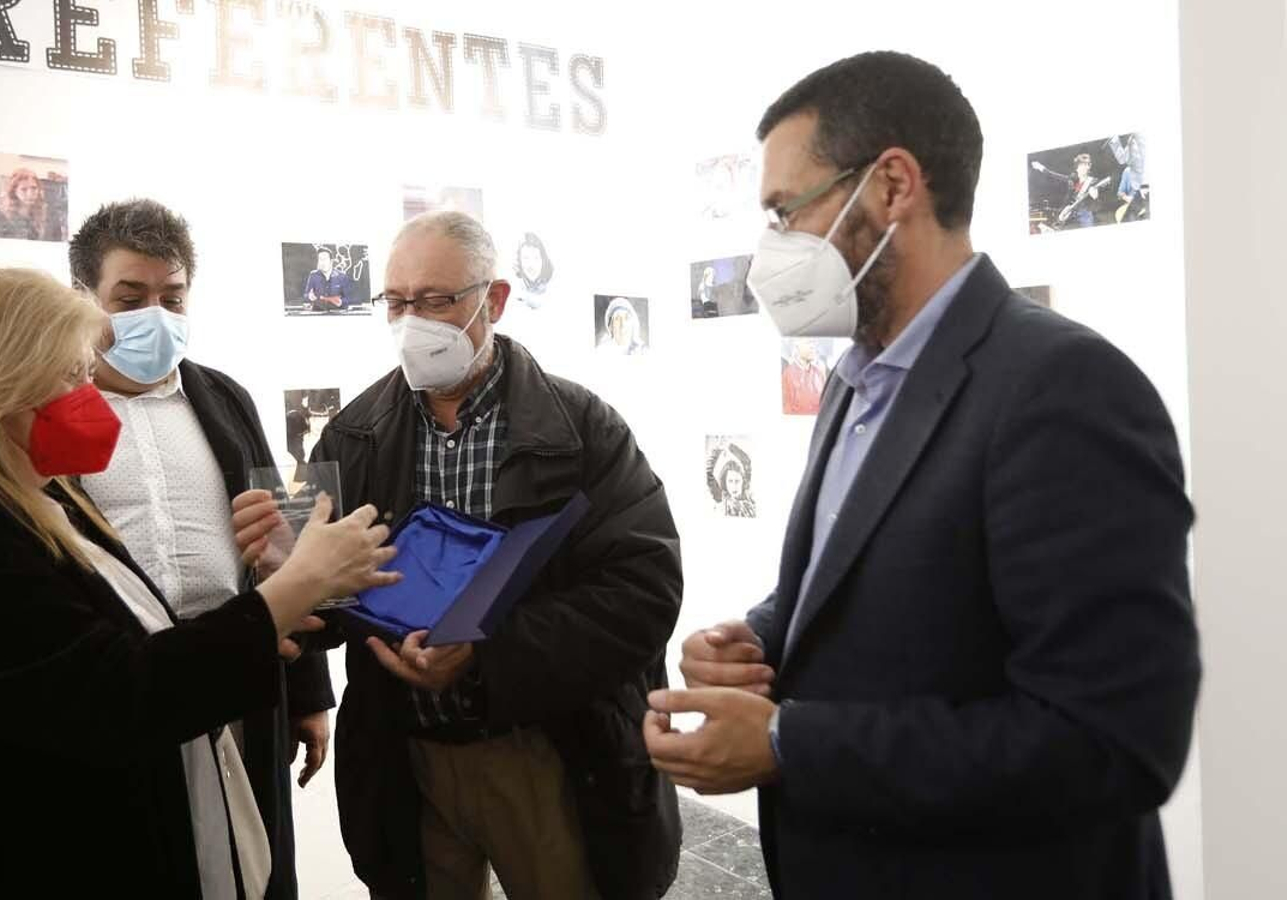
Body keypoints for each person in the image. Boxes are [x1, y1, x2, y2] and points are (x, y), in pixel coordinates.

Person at [647, 52, 1200, 900]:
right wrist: (761, 638)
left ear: (893, 185)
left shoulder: (1063, 389)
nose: (771, 249)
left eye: (784, 211)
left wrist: (789, 743)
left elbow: (1111, 740)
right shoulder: (854, 378)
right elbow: (886, 582)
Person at [0, 267, 399, 899]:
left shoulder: (43, 498)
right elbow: (115, 693)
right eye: (73, 377)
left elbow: (119, 646)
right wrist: (301, 584)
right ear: (0, 383)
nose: (91, 399)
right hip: (16, 859)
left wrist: (273, 624)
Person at [236, 211, 684, 900]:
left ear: (494, 300)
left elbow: (642, 590)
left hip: (548, 750)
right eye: (396, 302)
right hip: (402, 756)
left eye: (437, 300)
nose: (413, 320)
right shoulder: (354, 434)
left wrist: (488, 656)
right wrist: (283, 576)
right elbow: (328, 611)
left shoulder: (581, 429)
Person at [68, 199, 337, 900]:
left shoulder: (224, 398)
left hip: (240, 675)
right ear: (83, 299)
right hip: (120, 686)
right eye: (130, 298)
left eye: (172, 296)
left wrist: (309, 691)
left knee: (250, 868)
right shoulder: (51, 407)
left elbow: (284, 548)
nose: (154, 314)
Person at [0, 168, 58, 241]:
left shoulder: (47, 212)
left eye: (34, 188)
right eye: (24, 189)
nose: (30, 194)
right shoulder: (1, 213)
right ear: (14, 192)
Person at [780, 339, 828, 415]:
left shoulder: (819, 373)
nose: (812, 346)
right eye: (808, 342)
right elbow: (787, 409)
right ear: (797, 347)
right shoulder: (787, 375)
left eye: (813, 343)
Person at [511, 232, 553, 302]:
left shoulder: (553, 287)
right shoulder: (514, 289)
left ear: (543, 260)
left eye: (536, 258)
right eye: (526, 258)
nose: (531, 265)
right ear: (519, 261)